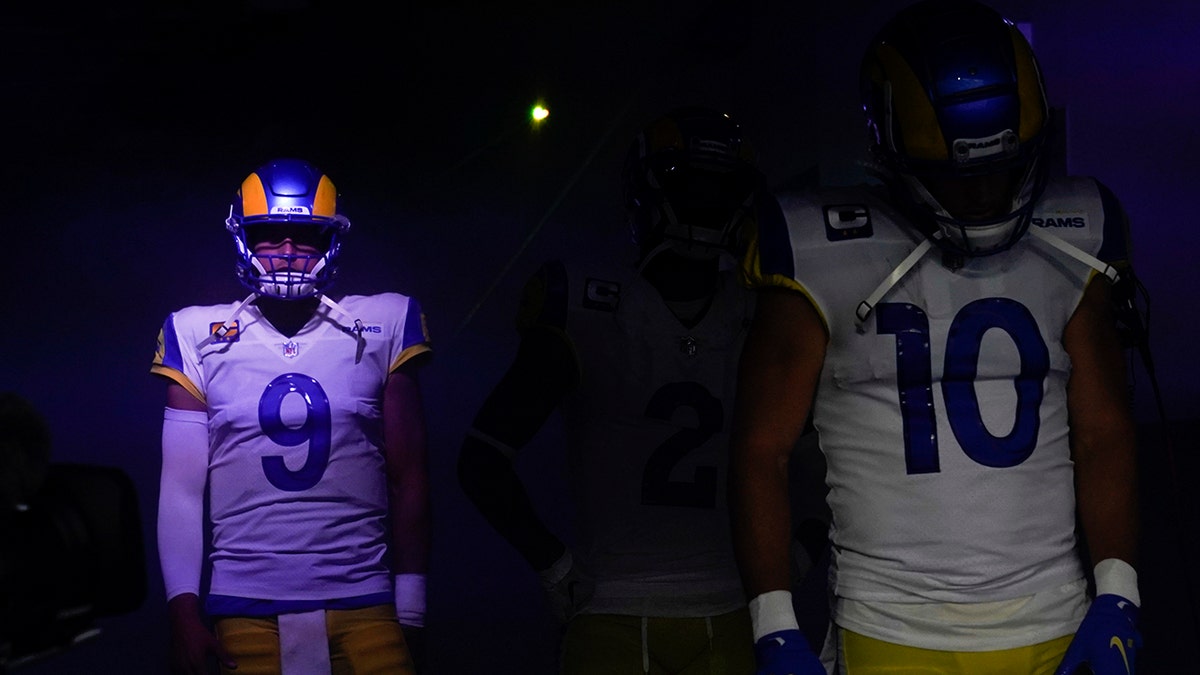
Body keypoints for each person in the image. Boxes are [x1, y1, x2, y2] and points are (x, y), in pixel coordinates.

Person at [730, 1, 1142, 673]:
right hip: (892, 624)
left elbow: (1104, 430)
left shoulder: (1075, 240)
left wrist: (1119, 596)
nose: (983, 192)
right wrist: (775, 626)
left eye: (1002, 168)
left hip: (1054, 617)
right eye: (959, 173)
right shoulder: (818, 249)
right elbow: (761, 450)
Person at [458, 107, 795, 673]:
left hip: (708, 607)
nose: (706, 203)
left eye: (720, 190)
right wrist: (554, 565)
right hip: (629, 611)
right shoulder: (591, 307)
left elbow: (816, 454)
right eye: (689, 186)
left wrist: (555, 568)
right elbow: (483, 458)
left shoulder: (758, 310)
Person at [150, 158, 432, 674]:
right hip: (243, 605)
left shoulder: (383, 321)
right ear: (242, 238)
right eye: (270, 234)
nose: (286, 252)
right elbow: (182, 490)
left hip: (364, 600)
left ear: (330, 240)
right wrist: (183, 613)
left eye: (304, 237)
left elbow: (408, 472)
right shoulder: (197, 333)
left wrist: (411, 602)